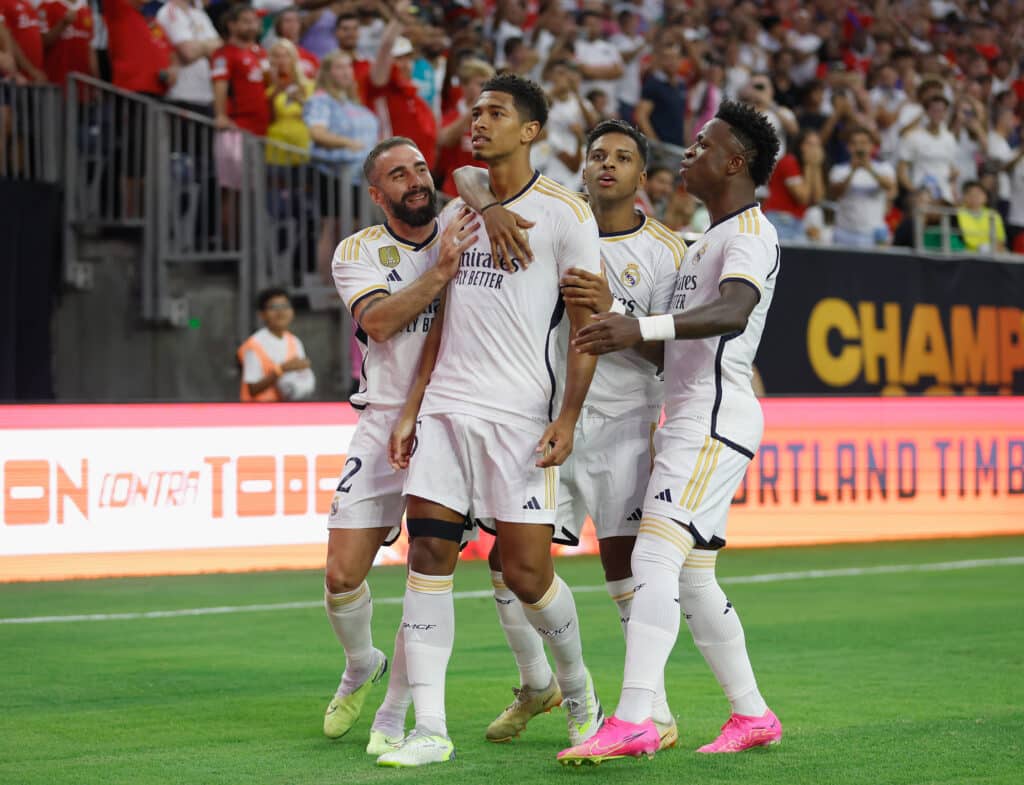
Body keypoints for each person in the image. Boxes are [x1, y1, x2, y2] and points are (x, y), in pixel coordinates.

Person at [382, 73, 604, 768]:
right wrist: (414, 404)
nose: (477, 121)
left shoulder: (568, 214)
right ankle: (431, 727)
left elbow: (587, 325)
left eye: (495, 113)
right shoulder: (461, 209)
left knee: (527, 572)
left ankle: (580, 695)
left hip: (517, 416)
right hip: (447, 408)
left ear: (531, 130)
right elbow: (444, 315)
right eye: (474, 111)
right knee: (428, 555)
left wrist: (568, 416)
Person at [558, 99, 784, 763]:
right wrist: (621, 315)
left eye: (703, 144)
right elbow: (668, 348)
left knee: (652, 559)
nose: (688, 153)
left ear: (735, 162)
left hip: (713, 419)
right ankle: (752, 712)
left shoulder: (749, 234)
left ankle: (633, 717)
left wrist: (641, 324)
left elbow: (735, 311)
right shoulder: (702, 240)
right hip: (689, 416)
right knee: (691, 578)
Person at [452, 119, 683, 750]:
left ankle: (653, 712)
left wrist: (620, 316)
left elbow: (680, 356)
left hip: (624, 430)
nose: (607, 164)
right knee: (507, 565)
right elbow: (467, 174)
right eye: (597, 155)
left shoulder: (666, 250)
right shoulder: (556, 217)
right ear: (582, 166)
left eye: (623, 157)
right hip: (548, 421)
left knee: (623, 571)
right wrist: (491, 207)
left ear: (643, 177)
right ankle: (537, 684)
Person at [321, 136, 477, 756]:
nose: (414, 180)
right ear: (375, 192)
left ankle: (396, 710)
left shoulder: (467, 224)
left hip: (446, 422)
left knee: (426, 572)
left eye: (419, 168)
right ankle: (362, 662)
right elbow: (380, 322)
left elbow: (483, 180)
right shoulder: (356, 252)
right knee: (341, 574)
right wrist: (440, 272)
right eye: (397, 174)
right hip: (380, 417)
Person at [304, 50, 379, 282]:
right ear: (327, 72)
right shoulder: (320, 100)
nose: (346, 72)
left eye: (348, 67)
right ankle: (327, 283)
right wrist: (349, 143)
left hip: (360, 176)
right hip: (333, 172)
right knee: (333, 225)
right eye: (339, 67)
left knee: (355, 228)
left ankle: (350, 282)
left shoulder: (353, 102)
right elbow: (317, 133)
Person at [238, 287, 315, 401]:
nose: (281, 312)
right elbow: (252, 389)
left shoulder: (294, 341)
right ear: (262, 314)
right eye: (274, 307)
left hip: (285, 411)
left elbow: (300, 376)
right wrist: (281, 370)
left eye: (285, 306)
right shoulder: (253, 345)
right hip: (256, 412)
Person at [829, 125, 897, 247]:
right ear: (849, 147)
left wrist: (869, 168)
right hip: (845, 233)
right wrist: (852, 171)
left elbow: (889, 186)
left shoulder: (884, 168)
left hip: (874, 233)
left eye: (864, 143)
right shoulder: (839, 170)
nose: (859, 147)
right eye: (855, 144)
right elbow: (835, 193)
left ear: (871, 146)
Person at [155, 0, 220, 115]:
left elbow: (220, 49)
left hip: (207, 96)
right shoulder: (169, 11)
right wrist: (207, 45)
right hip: (182, 95)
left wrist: (197, 46)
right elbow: (188, 52)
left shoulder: (199, 14)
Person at [265, 38, 313, 165]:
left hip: (302, 144)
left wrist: (301, 100)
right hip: (276, 145)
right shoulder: (268, 90)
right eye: (276, 56)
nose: (281, 60)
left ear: (293, 58)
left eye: (285, 55)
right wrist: (275, 91)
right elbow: (267, 119)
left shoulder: (308, 86)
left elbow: (315, 116)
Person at [956, 181, 1006, 253]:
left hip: (992, 254)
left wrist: (989, 248)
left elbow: (1001, 239)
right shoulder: (958, 213)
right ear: (964, 196)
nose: (975, 197)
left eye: (978, 194)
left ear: (985, 197)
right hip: (966, 254)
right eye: (971, 194)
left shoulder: (994, 215)